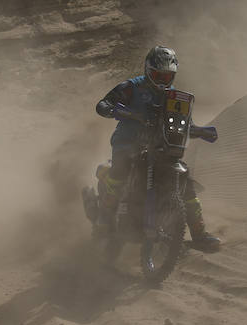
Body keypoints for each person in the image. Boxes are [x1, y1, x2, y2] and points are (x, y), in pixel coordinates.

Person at [95, 46, 221, 253]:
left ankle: (199, 234)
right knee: (118, 176)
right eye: (157, 75)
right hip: (127, 143)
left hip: (162, 146)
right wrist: (116, 110)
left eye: (167, 76)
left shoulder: (176, 98)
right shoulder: (131, 87)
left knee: (186, 184)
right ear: (147, 70)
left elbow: (184, 124)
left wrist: (201, 131)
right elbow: (103, 104)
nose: (162, 80)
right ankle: (103, 221)